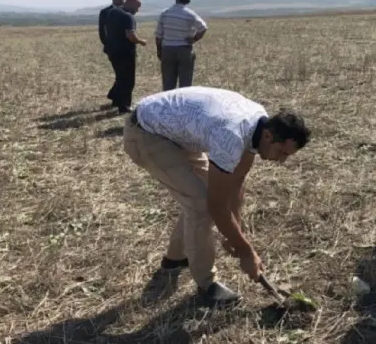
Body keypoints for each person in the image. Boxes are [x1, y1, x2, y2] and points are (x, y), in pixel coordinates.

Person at [122, 86, 311, 307]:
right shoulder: (231, 135)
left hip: (177, 136)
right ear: (268, 136)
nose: (282, 161)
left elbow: (236, 180)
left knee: (200, 195)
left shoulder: (258, 123)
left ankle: (175, 259)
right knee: (200, 203)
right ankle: (207, 284)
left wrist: (236, 231)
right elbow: (216, 204)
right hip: (146, 134)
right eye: (282, 153)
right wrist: (245, 251)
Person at [154, 0, 208, 91]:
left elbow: (158, 36)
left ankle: (169, 105)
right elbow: (203, 27)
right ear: (188, 0)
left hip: (167, 49)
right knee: (185, 84)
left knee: (168, 84)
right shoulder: (190, 14)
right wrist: (194, 39)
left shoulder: (165, 13)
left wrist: (159, 51)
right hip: (184, 49)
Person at [104, 0, 146, 113]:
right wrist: (141, 41)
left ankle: (116, 100)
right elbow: (130, 35)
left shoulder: (112, 12)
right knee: (128, 80)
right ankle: (124, 106)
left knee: (120, 77)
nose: (137, 11)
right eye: (137, 7)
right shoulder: (128, 17)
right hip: (125, 53)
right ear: (131, 4)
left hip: (112, 51)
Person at [98, 0, 125, 107]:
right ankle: (115, 97)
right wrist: (108, 46)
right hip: (113, 49)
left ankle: (115, 96)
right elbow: (102, 32)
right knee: (121, 74)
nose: (123, 1)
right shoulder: (105, 12)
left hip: (125, 49)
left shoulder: (125, 11)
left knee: (122, 74)